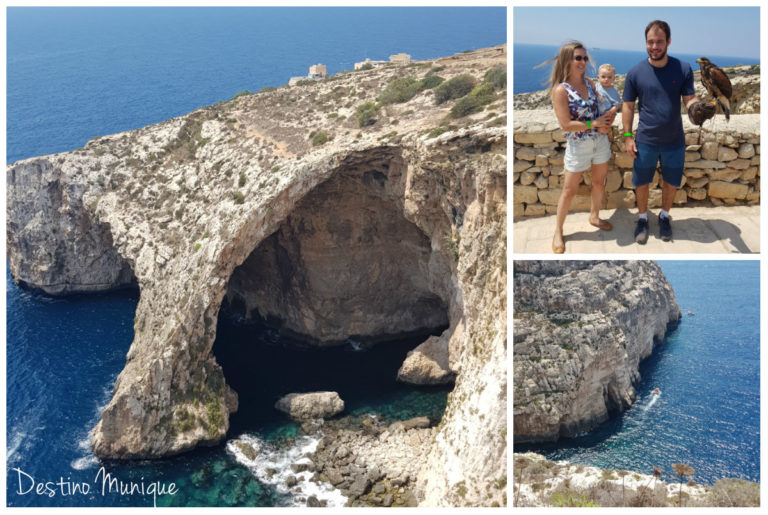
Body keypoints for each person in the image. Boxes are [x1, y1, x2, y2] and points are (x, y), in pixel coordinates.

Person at [622, 20, 706, 244]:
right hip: (646, 140)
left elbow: (689, 99)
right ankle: (642, 219)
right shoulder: (635, 72)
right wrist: (628, 136)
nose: (655, 46)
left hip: (674, 140)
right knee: (641, 183)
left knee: (671, 182)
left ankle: (665, 216)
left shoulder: (683, 69)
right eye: (650, 42)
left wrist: (697, 109)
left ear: (668, 41)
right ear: (646, 43)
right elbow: (628, 105)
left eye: (659, 41)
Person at [548, 42, 615, 254]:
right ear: (567, 60)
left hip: (600, 142)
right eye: (578, 58)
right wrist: (593, 124)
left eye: (585, 58)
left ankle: (594, 216)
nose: (583, 62)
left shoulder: (590, 84)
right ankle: (558, 231)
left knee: (598, 183)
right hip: (578, 145)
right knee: (569, 191)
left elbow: (599, 110)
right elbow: (566, 124)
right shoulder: (561, 90)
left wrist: (606, 122)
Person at [595, 64, 622, 141]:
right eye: (603, 77)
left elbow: (617, 105)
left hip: (607, 114)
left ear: (613, 79)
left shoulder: (613, 91)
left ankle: (610, 133)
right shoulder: (596, 86)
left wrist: (610, 112)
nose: (606, 79)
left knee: (602, 130)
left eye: (609, 77)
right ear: (598, 78)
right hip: (597, 113)